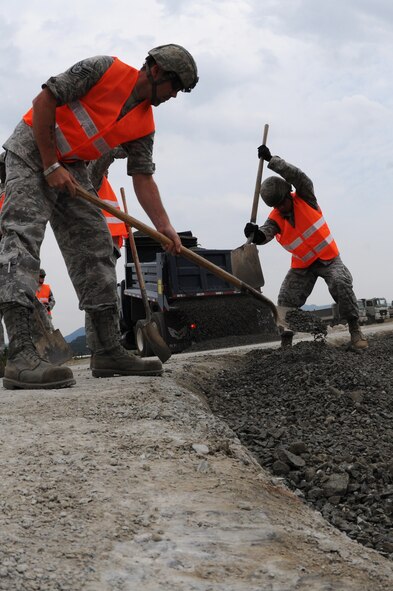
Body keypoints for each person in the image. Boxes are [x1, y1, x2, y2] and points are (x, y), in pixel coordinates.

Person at [0, 44, 198, 389]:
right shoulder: (103, 69)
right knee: (22, 240)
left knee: (96, 246)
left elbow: (143, 176)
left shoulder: (144, 123)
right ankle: (20, 356)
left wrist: (164, 226)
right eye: (174, 87)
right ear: (155, 71)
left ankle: (107, 350)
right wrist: (50, 165)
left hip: (73, 169)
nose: (174, 96)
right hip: (32, 151)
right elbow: (43, 102)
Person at [244, 144, 368, 351]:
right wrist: (255, 235)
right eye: (276, 206)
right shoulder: (276, 217)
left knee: (341, 282)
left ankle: (355, 332)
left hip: (328, 259)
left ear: (288, 194)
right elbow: (266, 232)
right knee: (284, 299)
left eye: (282, 203)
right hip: (303, 265)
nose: (280, 209)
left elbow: (300, 176)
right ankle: (286, 343)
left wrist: (272, 161)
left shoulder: (306, 198)